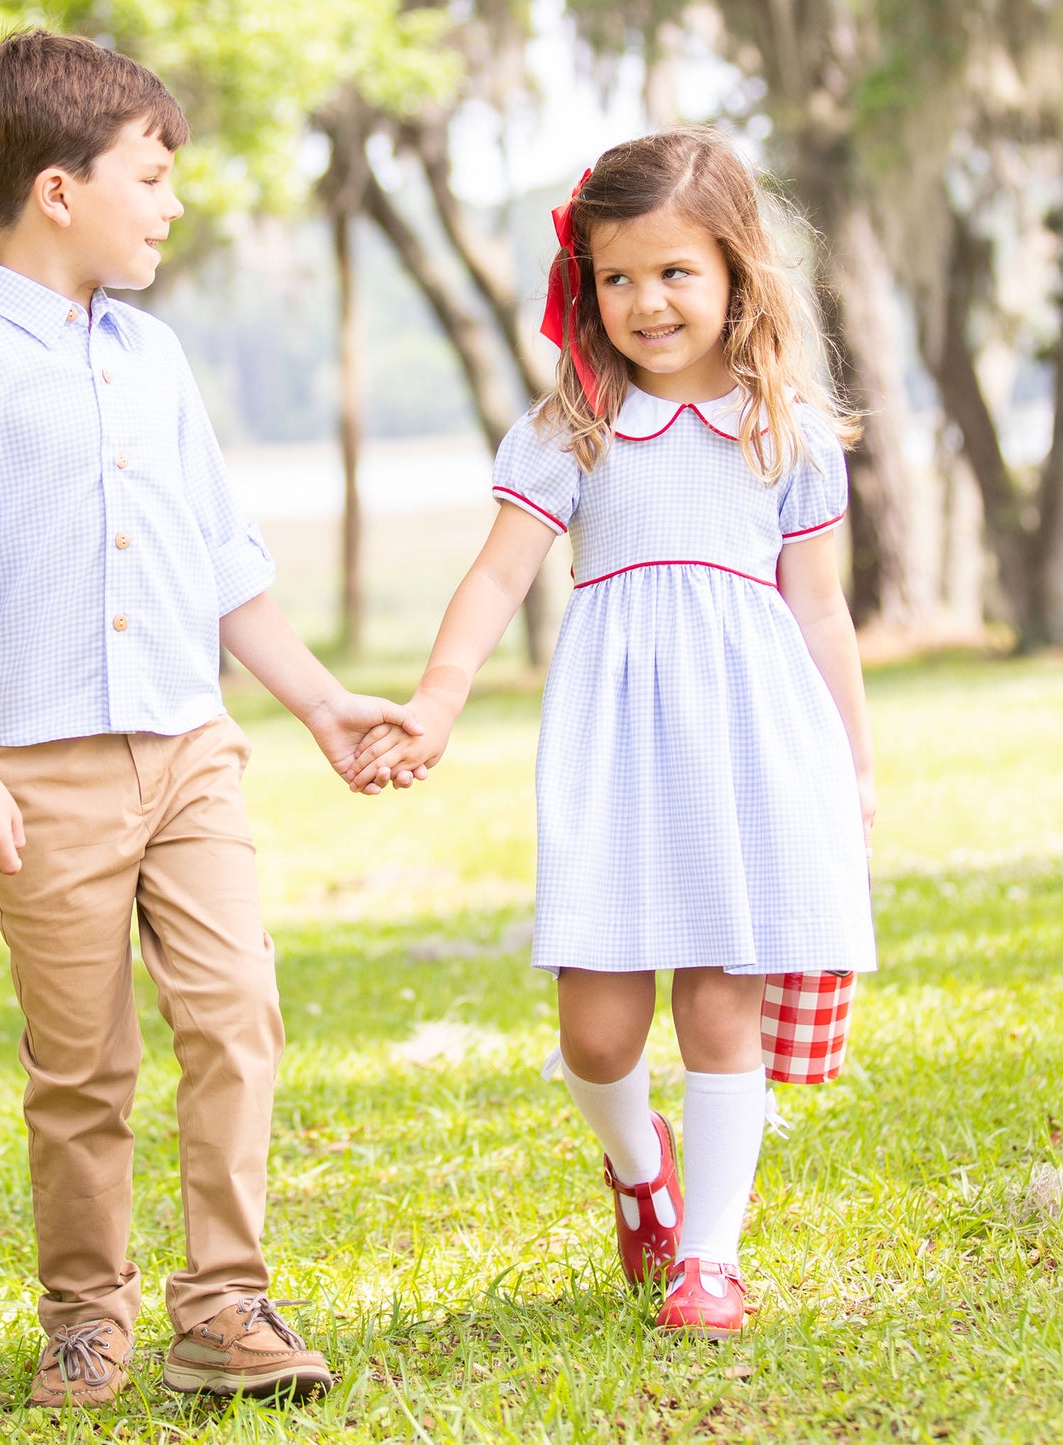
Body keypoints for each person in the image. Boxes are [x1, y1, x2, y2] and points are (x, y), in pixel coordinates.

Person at [0, 30, 423, 1408]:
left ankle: (225, 1306)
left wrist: (314, 703)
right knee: (82, 1065)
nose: (171, 200)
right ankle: (86, 1314)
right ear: (58, 190)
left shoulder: (153, 354)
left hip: (191, 749)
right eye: (151, 172)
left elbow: (222, 559)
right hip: (39, 771)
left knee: (239, 1008)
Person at [349, 127, 876, 1338]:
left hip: (750, 744)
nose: (644, 301)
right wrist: (435, 696)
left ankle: (709, 1257)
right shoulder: (569, 430)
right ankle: (639, 1170)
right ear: (585, 284)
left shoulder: (781, 429)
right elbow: (492, 583)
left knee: (719, 999)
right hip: (614, 749)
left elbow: (819, 603)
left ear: (735, 272)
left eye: (674, 272)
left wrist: (850, 760)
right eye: (616, 276)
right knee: (595, 1026)